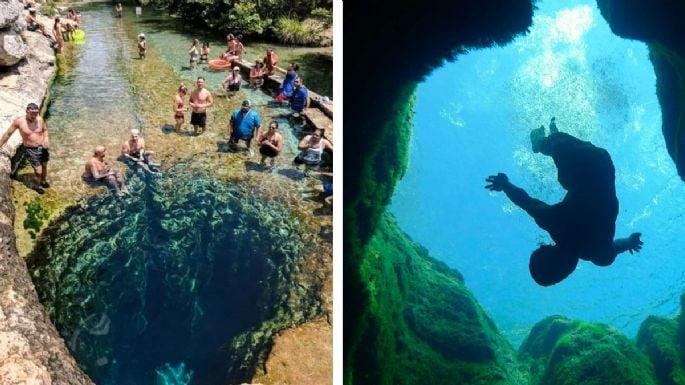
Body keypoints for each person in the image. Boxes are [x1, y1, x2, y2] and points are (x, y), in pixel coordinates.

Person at [485, 118, 644, 287]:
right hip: (595, 165)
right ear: (547, 248)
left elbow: (617, 246)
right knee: (560, 148)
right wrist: (505, 184)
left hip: (602, 166)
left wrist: (629, 242)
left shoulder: (599, 254)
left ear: (568, 271)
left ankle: (545, 141)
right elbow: (526, 202)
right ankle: (543, 141)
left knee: (561, 152)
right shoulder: (555, 223)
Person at [0, 103, 50, 193]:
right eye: (32, 114)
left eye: (36, 114)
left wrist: (46, 138)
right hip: (31, 150)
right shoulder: (19, 122)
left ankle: (43, 181)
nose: (34, 116)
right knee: (38, 172)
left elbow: (45, 130)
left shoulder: (40, 119)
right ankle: (36, 186)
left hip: (43, 148)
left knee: (44, 166)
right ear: (27, 111)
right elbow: (8, 134)